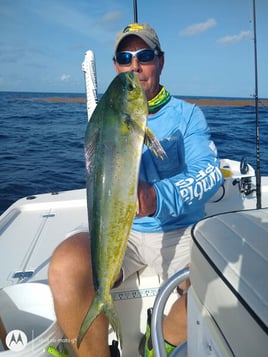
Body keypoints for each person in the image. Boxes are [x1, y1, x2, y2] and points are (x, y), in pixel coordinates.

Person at [48, 23, 223, 357]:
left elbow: (209, 174)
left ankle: (158, 345)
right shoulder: (105, 118)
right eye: (125, 58)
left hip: (180, 231)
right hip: (123, 234)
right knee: (65, 266)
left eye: (144, 56)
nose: (135, 66)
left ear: (160, 61)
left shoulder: (188, 117)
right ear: (116, 66)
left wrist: (156, 197)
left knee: (216, 285)